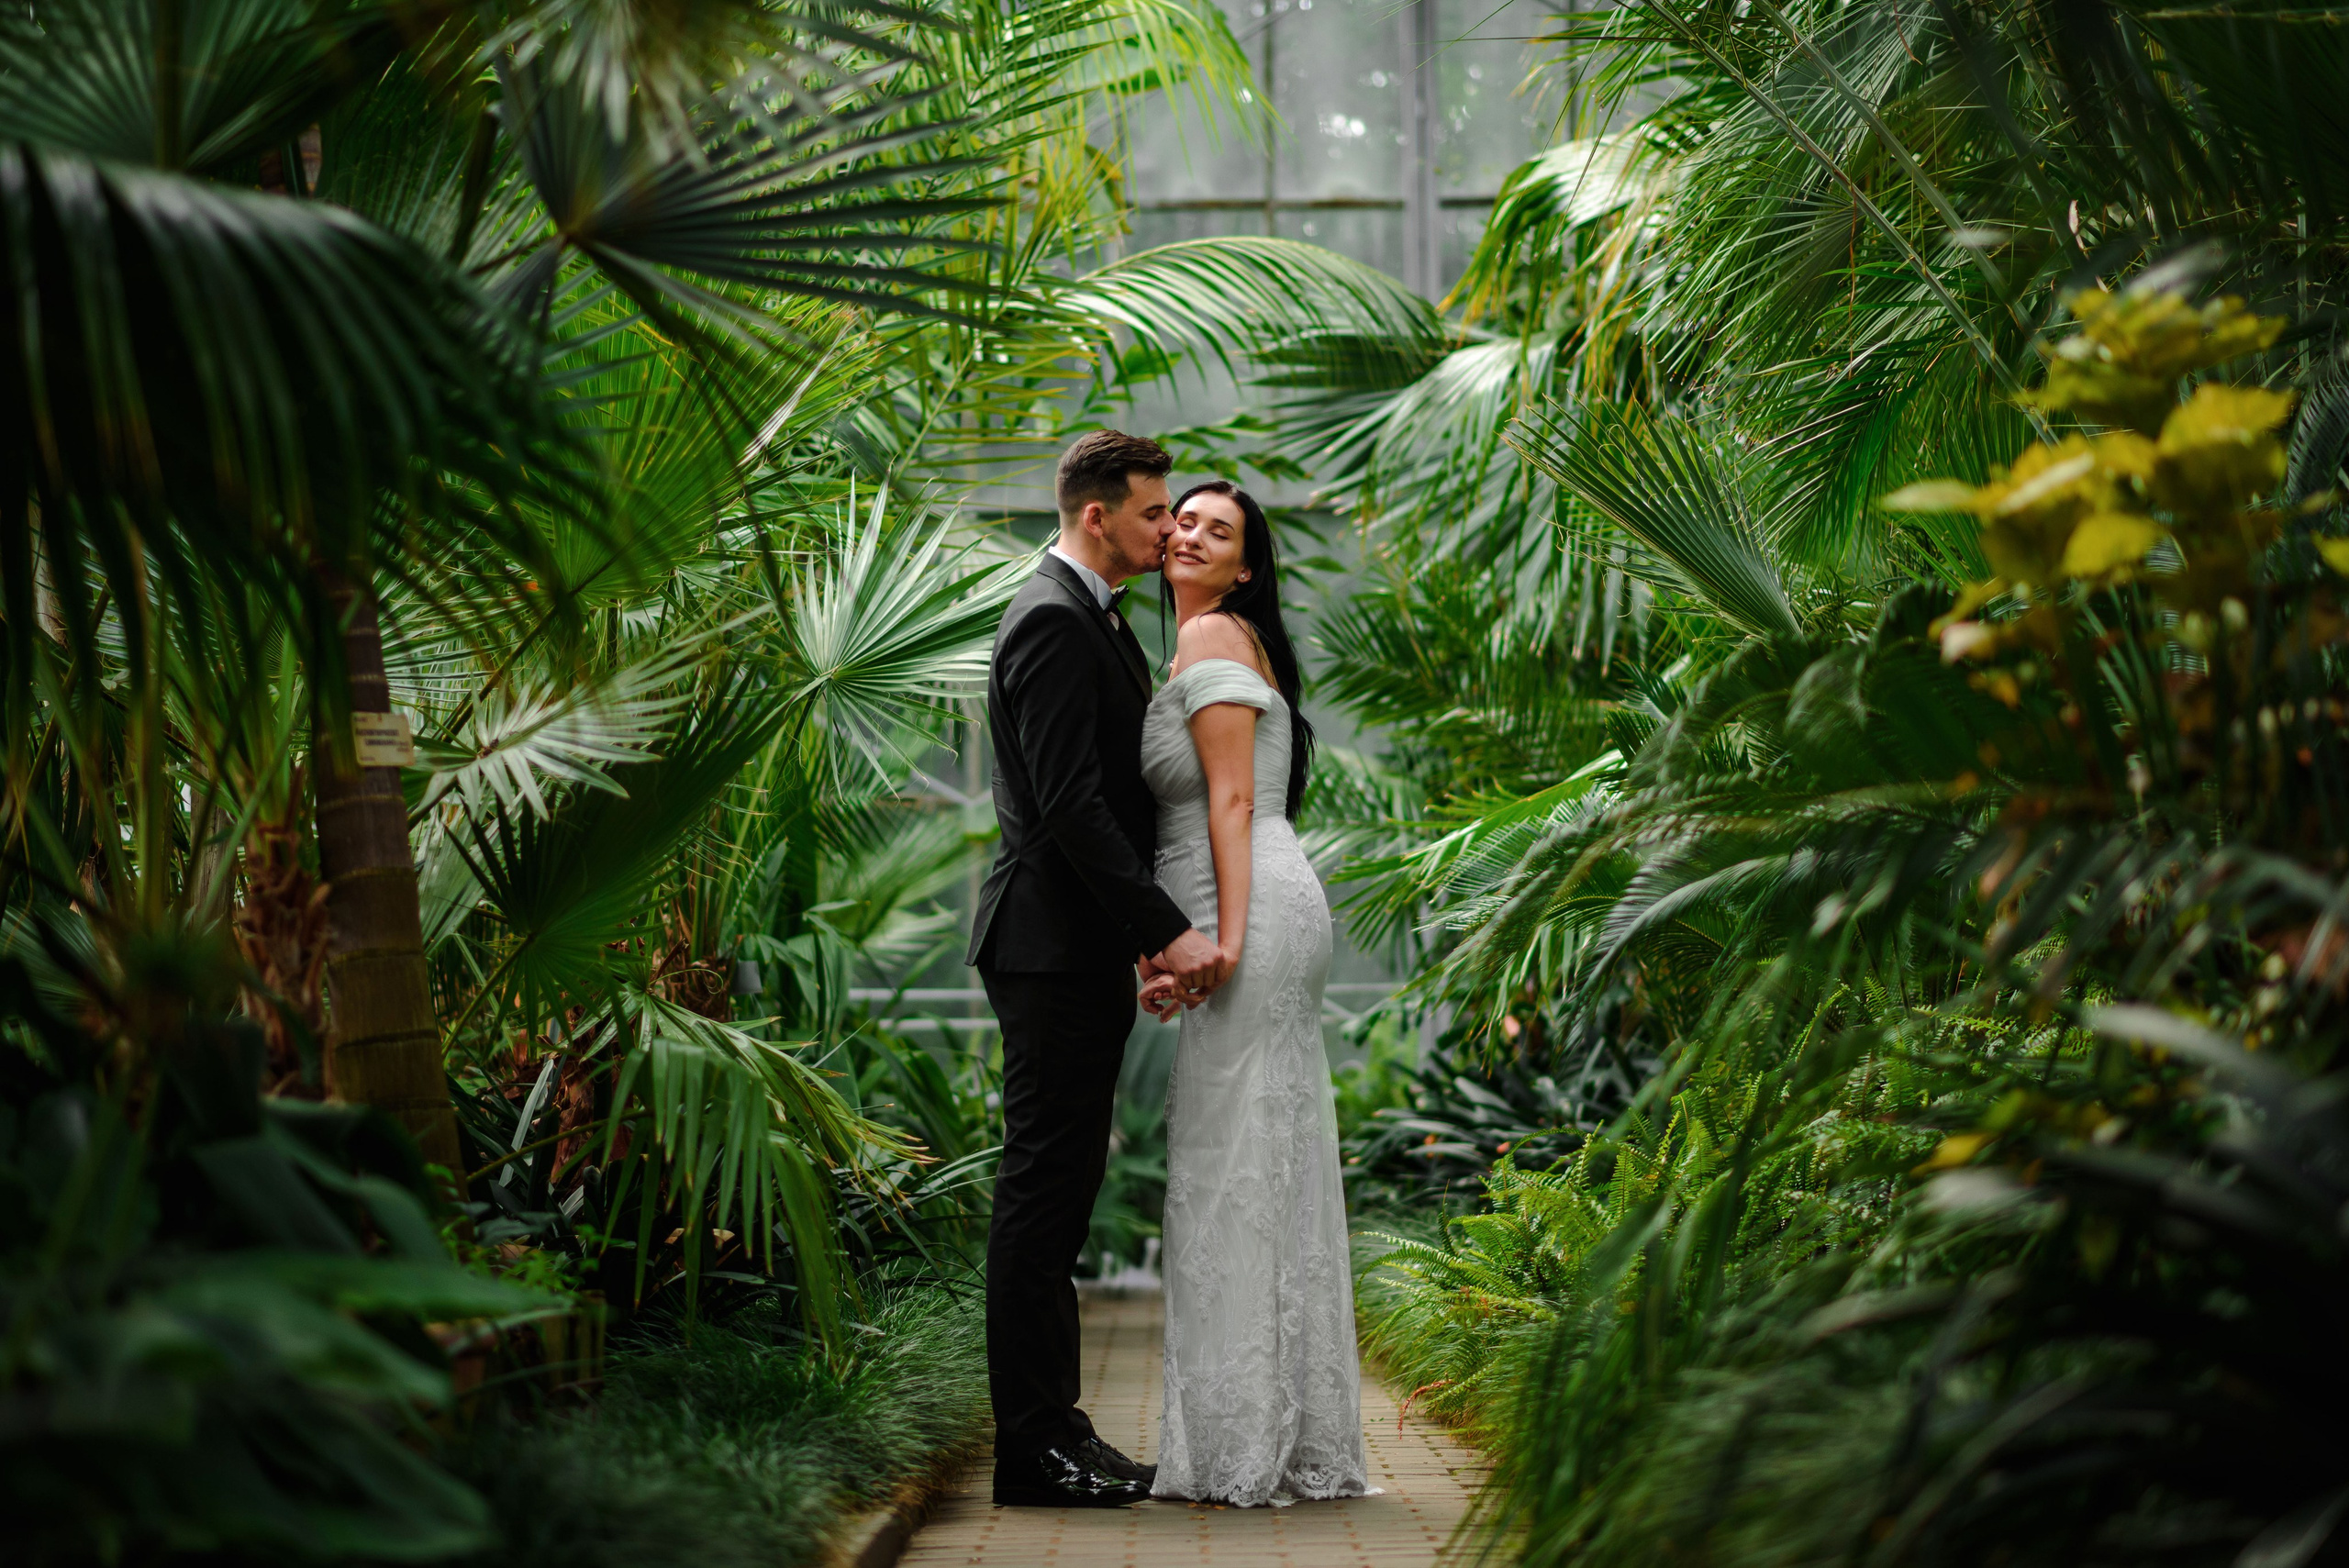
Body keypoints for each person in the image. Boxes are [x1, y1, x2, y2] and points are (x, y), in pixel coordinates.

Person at [966, 431, 1229, 1509]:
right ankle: (1032, 1450)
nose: (1167, 528)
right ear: (1096, 515)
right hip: (1044, 947)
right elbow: (1069, 805)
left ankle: (1059, 1426)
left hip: (1073, 944)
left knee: (1063, 1192)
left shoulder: (1095, 615)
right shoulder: (1049, 618)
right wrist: (1166, 929)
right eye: (1154, 511)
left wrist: (1140, 935)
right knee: (1042, 1195)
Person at [1138, 480, 1371, 1507]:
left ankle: (1247, 1440)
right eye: (1183, 519)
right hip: (1242, 905)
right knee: (1255, 1161)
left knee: (1232, 1163)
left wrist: (1225, 938)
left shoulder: (1210, 636)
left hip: (1253, 909)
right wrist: (1165, 940)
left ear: (1244, 568)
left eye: (1217, 529)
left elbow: (1231, 800)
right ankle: (1275, 1429)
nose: (1190, 534)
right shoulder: (1211, 640)